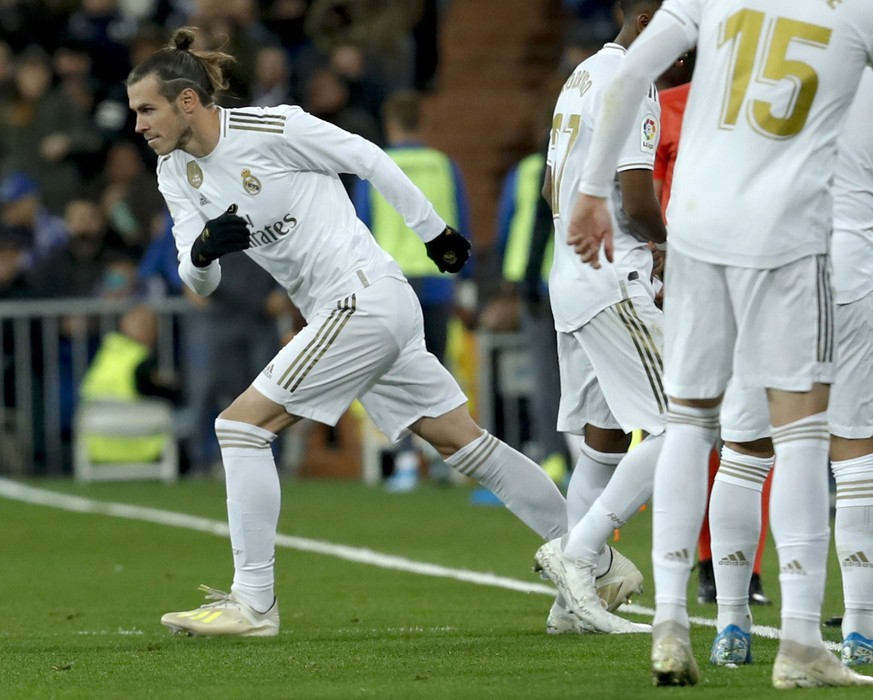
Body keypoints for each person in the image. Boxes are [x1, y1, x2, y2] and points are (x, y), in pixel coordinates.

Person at [126, 27, 569, 638]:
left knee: (239, 426)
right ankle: (591, 554)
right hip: (356, 310)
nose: (140, 125)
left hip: (361, 298)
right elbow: (195, 282)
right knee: (458, 440)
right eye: (135, 112)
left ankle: (254, 603)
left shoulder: (273, 128)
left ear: (187, 103)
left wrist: (433, 231)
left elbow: (366, 157)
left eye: (147, 109)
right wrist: (204, 252)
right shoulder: (174, 173)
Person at [567, 0, 873, 689]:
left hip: (699, 231)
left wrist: (591, 191)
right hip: (793, 242)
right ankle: (801, 643)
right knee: (801, 438)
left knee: (691, 423)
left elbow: (628, 73)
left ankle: (673, 621)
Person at [707, 69, 873, 671]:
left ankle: (731, 623)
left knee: (745, 453)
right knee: (855, 456)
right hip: (851, 269)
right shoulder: (863, 77)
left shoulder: (753, 70)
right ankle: (859, 629)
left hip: (764, 270)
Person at [531, 0, 667, 635]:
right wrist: (672, 248)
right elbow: (637, 200)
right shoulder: (635, 77)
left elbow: (547, 186)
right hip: (615, 276)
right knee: (687, 424)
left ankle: (570, 609)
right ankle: (580, 553)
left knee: (603, 441)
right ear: (646, 20)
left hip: (571, 275)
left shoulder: (581, 73)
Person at [653, 73, 772, 610]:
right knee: (699, 423)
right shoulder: (664, 106)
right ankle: (701, 565)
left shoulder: (771, 97)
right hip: (692, 275)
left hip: (762, 272)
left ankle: (748, 571)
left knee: (757, 429)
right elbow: (652, 196)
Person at [353, 88, 471, 491]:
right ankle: (444, 458)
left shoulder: (375, 166)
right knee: (438, 372)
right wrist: (464, 283)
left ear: (390, 124)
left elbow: (359, 230)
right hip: (438, 283)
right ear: (421, 121)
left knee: (396, 375)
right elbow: (461, 225)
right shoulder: (444, 166)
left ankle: (405, 460)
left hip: (393, 284)